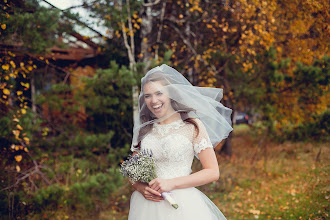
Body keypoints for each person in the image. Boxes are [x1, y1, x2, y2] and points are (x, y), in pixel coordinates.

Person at [128, 64, 233, 220]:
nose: (153, 100)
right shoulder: (143, 130)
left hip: (184, 204)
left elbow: (212, 172)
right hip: (147, 206)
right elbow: (132, 172)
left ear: (171, 94)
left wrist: (171, 184)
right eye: (148, 95)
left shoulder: (192, 125)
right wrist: (141, 187)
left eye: (159, 93)